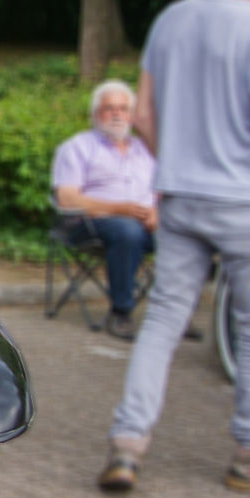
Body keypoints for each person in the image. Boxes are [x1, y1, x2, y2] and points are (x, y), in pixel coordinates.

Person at [98, 0, 250, 494]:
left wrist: (176, 165)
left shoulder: (174, 18)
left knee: (161, 321)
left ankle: (127, 445)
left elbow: (141, 117)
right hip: (244, 200)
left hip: (181, 195)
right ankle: (245, 457)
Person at [51, 80, 157, 339]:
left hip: (147, 222)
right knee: (127, 231)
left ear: (132, 115)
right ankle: (121, 313)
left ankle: (174, 313)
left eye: (123, 108)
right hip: (88, 223)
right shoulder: (77, 147)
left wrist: (158, 212)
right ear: (95, 114)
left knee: (184, 236)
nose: (117, 114)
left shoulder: (146, 150)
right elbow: (66, 198)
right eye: (109, 108)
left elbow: (161, 192)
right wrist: (120, 209)